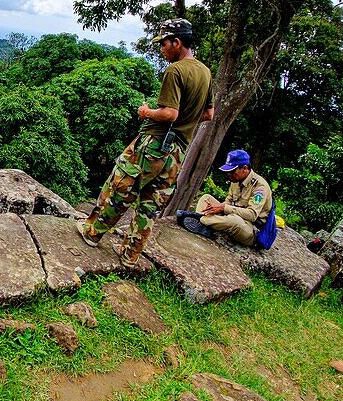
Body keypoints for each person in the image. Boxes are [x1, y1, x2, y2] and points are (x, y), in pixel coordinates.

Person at [77, 18, 214, 267]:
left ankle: (92, 232)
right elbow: (208, 115)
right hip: (178, 152)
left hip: (154, 143)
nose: (161, 48)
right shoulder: (205, 72)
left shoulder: (176, 71)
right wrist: (186, 121)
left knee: (121, 185)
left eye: (164, 43)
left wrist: (147, 112)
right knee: (151, 203)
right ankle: (131, 254)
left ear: (177, 42)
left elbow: (169, 113)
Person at [183, 149, 273, 246]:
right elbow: (228, 202)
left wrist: (224, 208)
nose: (229, 175)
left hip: (250, 229)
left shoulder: (260, 187)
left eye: (232, 171)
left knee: (234, 221)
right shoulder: (235, 180)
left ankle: (201, 220)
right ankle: (206, 224)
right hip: (231, 215)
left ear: (245, 168)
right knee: (206, 198)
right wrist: (216, 208)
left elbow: (252, 215)